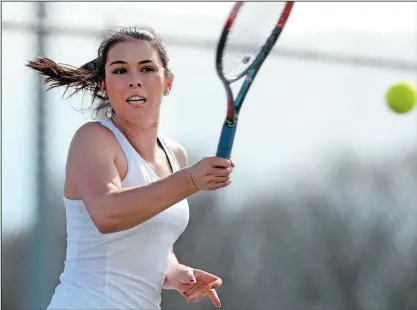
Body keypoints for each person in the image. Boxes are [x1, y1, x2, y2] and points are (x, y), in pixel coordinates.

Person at [27, 25, 234, 310]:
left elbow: (154, 244)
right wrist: (190, 180)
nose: (134, 80)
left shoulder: (175, 155)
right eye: (120, 70)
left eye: (147, 68)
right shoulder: (92, 139)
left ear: (168, 83)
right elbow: (107, 214)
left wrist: (176, 273)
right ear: (103, 84)